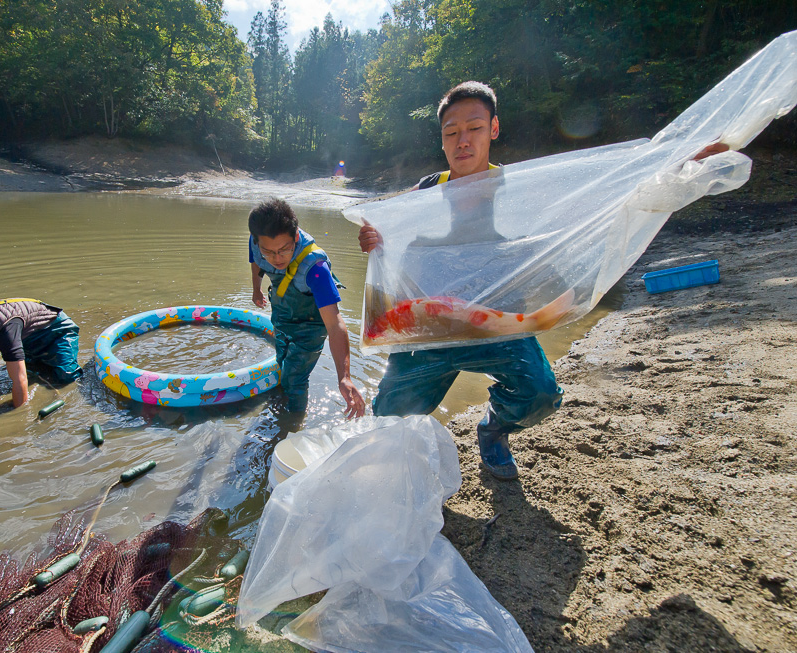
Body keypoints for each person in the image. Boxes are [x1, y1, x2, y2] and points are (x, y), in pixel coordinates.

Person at [359, 81, 731, 480]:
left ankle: (494, 430)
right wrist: (374, 236)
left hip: (498, 323)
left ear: (494, 129)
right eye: (451, 133)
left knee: (539, 395)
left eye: (474, 128)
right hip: (432, 330)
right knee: (386, 416)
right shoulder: (427, 191)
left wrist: (677, 160)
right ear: (442, 139)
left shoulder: (521, 190)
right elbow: (388, 224)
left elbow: (608, 185)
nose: (462, 141)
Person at [249, 198, 364, 418]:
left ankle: (292, 424)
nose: (276, 258)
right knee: (282, 361)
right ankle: (282, 405)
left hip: (311, 327)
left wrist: (344, 377)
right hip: (282, 315)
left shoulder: (316, 269)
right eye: (269, 252)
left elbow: (335, 323)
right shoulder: (256, 243)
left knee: (295, 378)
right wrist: (257, 290)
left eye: (284, 250)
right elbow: (256, 261)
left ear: (296, 237)